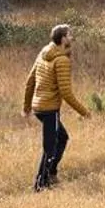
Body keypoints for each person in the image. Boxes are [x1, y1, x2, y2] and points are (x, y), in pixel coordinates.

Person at [22, 23, 90, 190]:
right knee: (50, 147)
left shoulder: (43, 52)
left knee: (62, 138)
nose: (72, 38)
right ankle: (40, 185)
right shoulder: (61, 60)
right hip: (49, 109)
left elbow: (30, 81)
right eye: (70, 35)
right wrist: (84, 112)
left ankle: (50, 173)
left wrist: (27, 107)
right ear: (63, 39)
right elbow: (66, 93)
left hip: (39, 107)